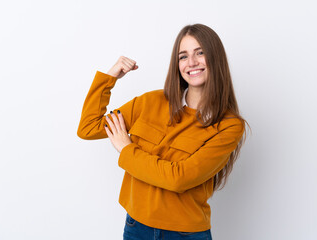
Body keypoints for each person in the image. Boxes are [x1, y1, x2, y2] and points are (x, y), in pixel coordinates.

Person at [77, 23, 247, 240]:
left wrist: (126, 149)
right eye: (183, 56)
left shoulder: (229, 125)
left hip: (186, 234)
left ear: (216, 58)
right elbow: (88, 128)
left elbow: (178, 179)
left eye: (200, 53)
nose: (191, 62)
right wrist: (109, 78)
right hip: (136, 227)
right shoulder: (151, 101)